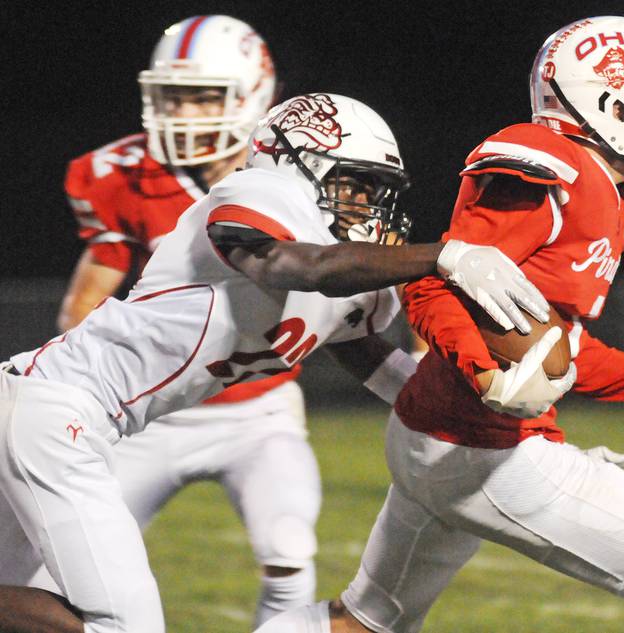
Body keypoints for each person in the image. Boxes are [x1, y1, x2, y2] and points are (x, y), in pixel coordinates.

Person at [259, 16, 624, 633]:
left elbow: (559, 347)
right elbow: (432, 280)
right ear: (612, 100)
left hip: (437, 433)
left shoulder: (605, 191)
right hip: (480, 449)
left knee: (366, 620)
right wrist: (485, 375)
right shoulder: (548, 164)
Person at [0, 91, 551, 633]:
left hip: (64, 417)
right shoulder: (258, 194)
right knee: (119, 625)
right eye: (355, 183)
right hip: (57, 411)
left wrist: (511, 428)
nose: (366, 204)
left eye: (377, 190)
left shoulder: (342, 274)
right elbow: (291, 265)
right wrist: (443, 255)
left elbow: (391, 377)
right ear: (300, 164)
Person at [53, 14, 327, 626]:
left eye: (204, 95)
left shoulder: (294, 175)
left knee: (289, 548)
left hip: (257, 410)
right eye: (173, 96)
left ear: (254, 96)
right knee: (63, 558)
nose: (185, 112)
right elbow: (83, 302)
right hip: (150, 412)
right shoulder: (119, 174)